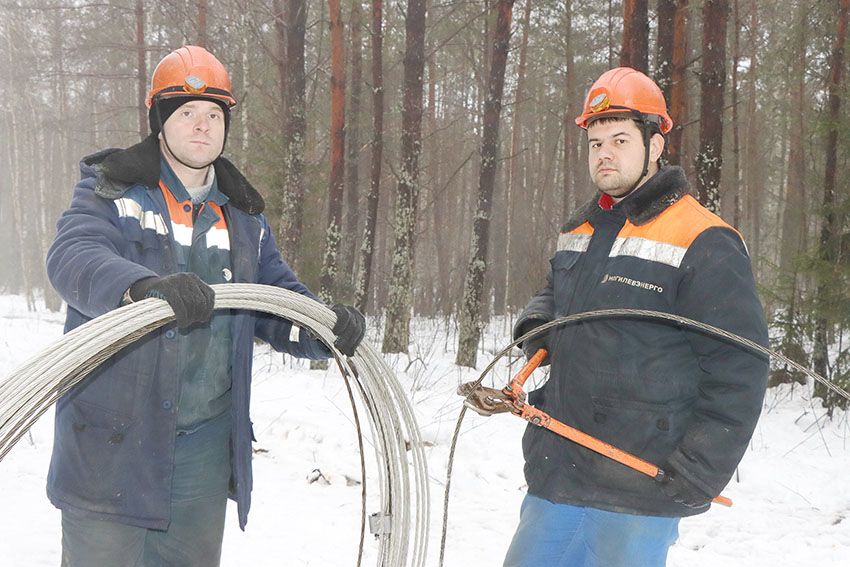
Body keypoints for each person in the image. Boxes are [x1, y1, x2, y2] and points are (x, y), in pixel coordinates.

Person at [45, 45, 366, 567]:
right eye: (187, 112)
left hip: (203, 451)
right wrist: (142, 287)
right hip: (113, 444)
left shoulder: (242, 216)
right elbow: (73, 257)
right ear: (159, 122)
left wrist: (322, 326)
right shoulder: (113, 193)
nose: (202, 125)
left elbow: (272, 296)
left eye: (214, 114)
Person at [503, 67, 769, 567]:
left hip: (638, 485)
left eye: (620, 140)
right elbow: (555, 292)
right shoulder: (580, 227)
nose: (604, 153)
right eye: (595, 141)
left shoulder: (704, 239)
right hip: (557, 468)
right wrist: (537, 323)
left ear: (655, 145)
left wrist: (698, 470)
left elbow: (741, 369)